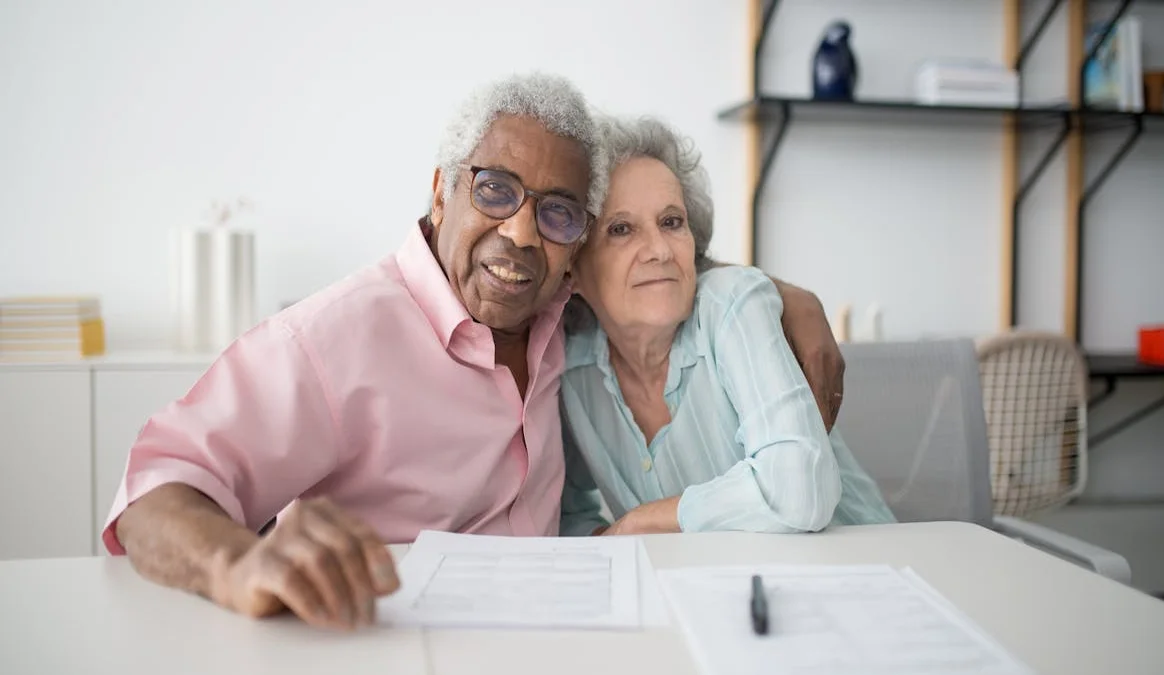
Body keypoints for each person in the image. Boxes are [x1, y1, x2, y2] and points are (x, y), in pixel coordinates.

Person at [103, 73, 846, 631]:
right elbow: (154, 490)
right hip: (389, 643)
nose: (522, 233)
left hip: (574, 637)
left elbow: (646, 264)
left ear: (573, 244)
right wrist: (237, 564)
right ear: (439, 194)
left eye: (556, 212)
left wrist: (773, 292)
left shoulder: (562, 314)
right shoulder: (334, 338)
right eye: (495, 190)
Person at [558, 114, 895, 537]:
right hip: (707, 593)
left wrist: (639, 523)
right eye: (621, 229)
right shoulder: (571, 369)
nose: (659, 250)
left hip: (864, 571)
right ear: (572, 265)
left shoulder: (733, 304)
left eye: (671, 222)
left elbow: (800, 491)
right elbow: (569, 516)